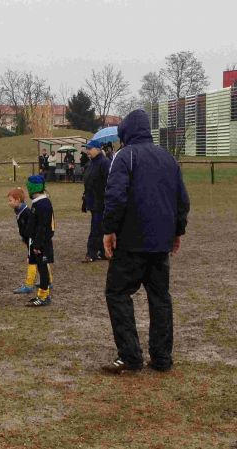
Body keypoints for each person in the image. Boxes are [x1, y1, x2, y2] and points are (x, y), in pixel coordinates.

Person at [101, 109, 190, 374]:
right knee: (160, 298)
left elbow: (115, 197)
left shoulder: (124, 156)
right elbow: (181, 201)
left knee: (117, 293)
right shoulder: (168, 159)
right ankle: (162, 358)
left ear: (125, 133)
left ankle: (130, 356)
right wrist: (177, 231)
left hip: (130, 243)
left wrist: (109, 230)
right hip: (160, 244)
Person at [24, 175, 55, 307]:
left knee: (43, 269)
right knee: (41, 268)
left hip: (41, 243)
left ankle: (43, 296)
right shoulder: (38, 202)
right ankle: (43, 294)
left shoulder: (43, 204)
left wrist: (37, 244)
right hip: (37, 242)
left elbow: (44, 227)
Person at [81, 140, 111, 263]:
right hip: (92, 201)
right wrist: (85, 198)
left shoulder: (105, 163)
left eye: (90, 148)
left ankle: (91, 253)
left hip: (101, 201)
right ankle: (102, 251)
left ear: (98, 149)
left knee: (96, 228)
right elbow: (88, 182)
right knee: (99, 227)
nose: (87, 151)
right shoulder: (90, 164)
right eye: (87, 149)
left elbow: (109, 182)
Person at [7, 188, 36, 294]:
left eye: (10, 200)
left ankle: (28, 285)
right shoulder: (18, 210)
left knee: (32, 259)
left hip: (32, 239)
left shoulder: (26, 212)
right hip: (28, 238)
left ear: (18, 200)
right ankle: (48, 281)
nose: (9, 203)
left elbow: (32, 228)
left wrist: (29, 240)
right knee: (41, 259)